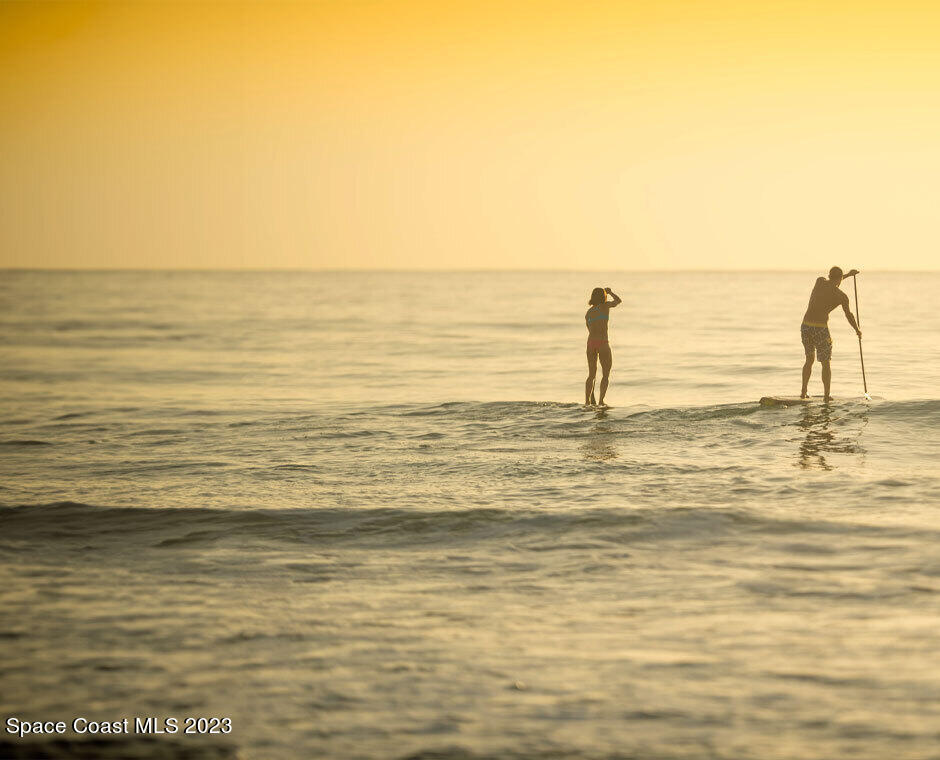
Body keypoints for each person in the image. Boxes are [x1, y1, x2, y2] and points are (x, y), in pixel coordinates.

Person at [800, 267, 861, 401]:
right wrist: (857, 330)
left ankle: (803, 392)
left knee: (809, 360)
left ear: (828, 275)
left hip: (806, 326)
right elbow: (849, 315)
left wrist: (848, 275)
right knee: (826, 363)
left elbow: (832, 281)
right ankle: (827, 396)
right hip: (820, 329)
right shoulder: (842, 296)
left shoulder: (819, 282)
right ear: (839, 278)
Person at [584, 286, 621, 406]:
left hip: (590, 344)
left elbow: (589, 329)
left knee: (591, 375)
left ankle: (588, 401)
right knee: (605, 374)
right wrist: (610, 292)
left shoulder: (588, 313)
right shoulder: (605, 306)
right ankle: (601, 401)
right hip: (603, 343)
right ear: (603, 296)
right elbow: (618, 301)